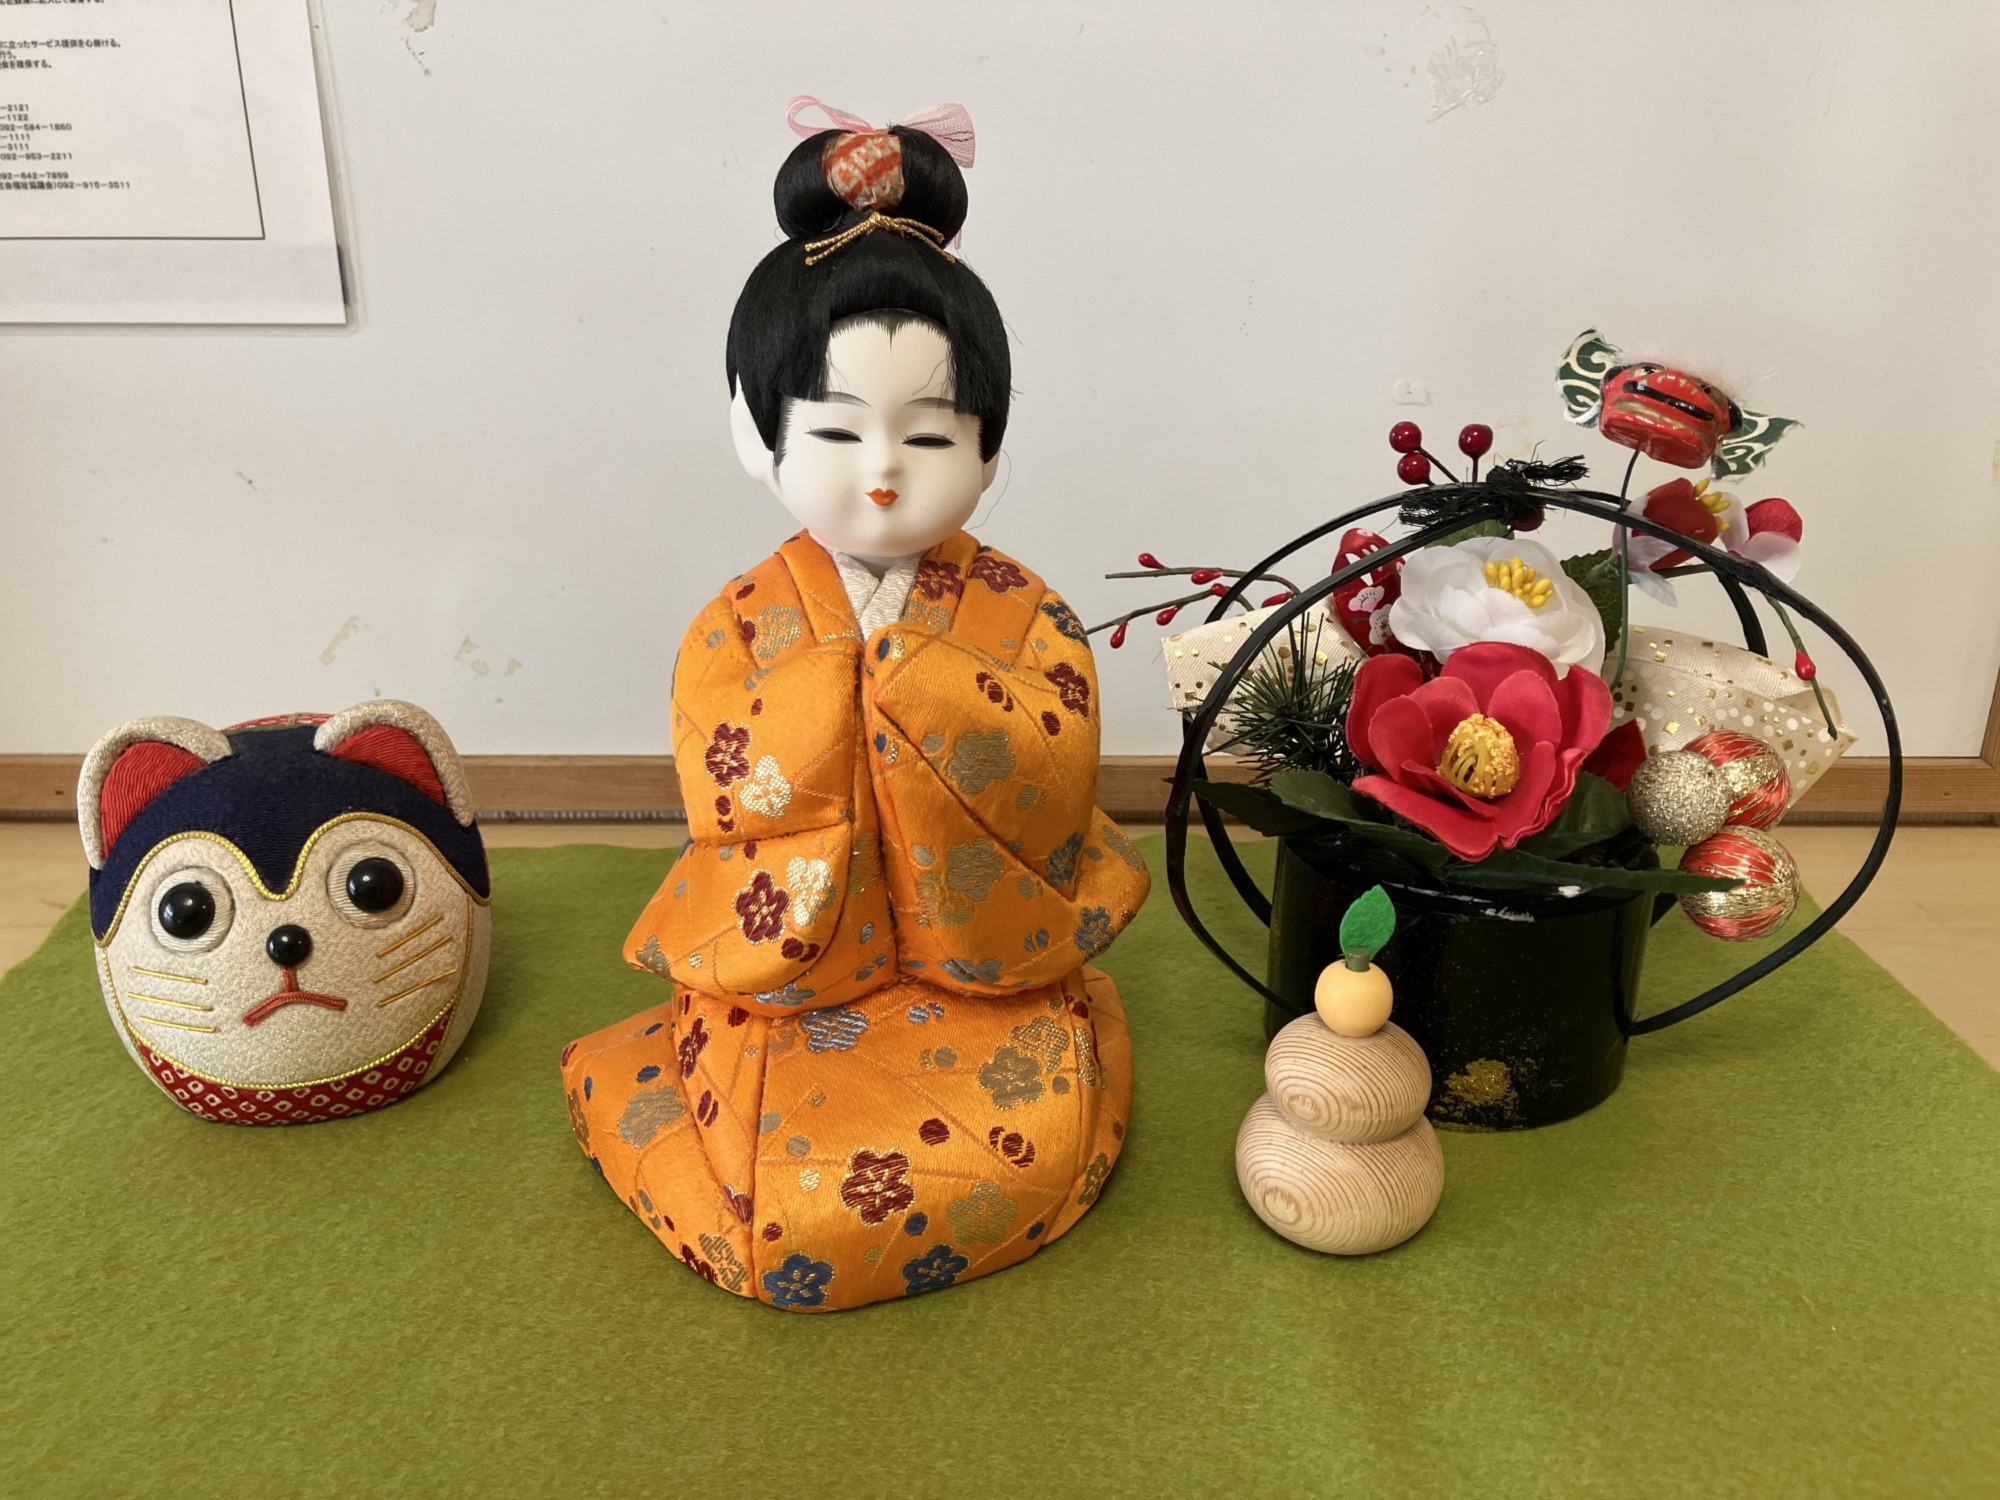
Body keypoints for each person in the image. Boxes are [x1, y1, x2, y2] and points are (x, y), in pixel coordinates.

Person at [560, 104, 1149, 1312]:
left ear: (990, 447)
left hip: (983, 971)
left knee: (1025, 1141)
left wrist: (920, 690)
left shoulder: (1022, 613)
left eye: (928, 434)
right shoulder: (739, 622)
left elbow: (1051, 762)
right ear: (751, 430)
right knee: (763, 1178)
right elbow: (727, 782)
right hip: (796, 977)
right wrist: (833, 694)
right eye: (832, 429)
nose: (880, 470)